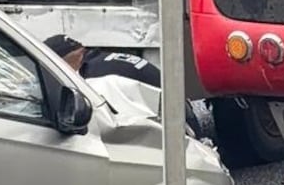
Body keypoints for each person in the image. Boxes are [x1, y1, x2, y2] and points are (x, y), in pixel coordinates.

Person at [44, 35, 211, 140]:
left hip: (181, 138)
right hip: (180, 116)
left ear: (65, 61)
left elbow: (120, 129)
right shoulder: (102, 62)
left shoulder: (98, 80)